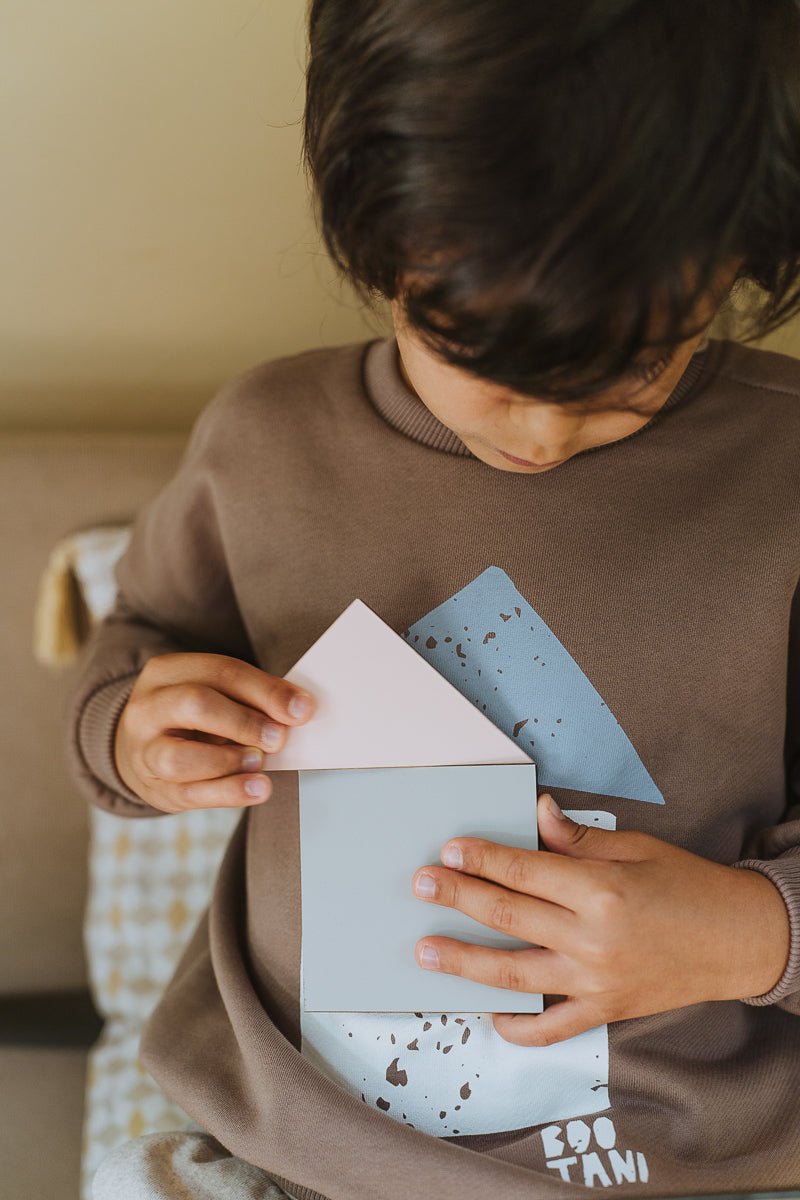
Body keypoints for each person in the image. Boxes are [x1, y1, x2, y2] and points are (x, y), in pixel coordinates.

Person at [70, 1, 800, 1196]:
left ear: (736, 259)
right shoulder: (262, 448)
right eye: (475, 357)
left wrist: (746, 932)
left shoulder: (778, 478)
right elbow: (131, 657)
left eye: (639, 365)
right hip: (288, 1136)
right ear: (377, 247)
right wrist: (137, 736)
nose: (542, 430)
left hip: (691, 1158)